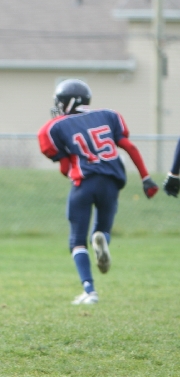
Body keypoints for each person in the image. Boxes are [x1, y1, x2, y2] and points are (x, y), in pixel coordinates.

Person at [38, 79, 157, 305]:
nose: (58, 106)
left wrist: (71, 163)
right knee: (102, 230)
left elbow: (65, 167)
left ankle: (90, 290)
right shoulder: (109, 116)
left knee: (77, 240)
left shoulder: (54, 127)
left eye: (61, 102)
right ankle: (101, 239)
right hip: (111, 182)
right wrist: (146, 178)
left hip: (84, 184)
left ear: (71, 101)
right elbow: (129, 147)